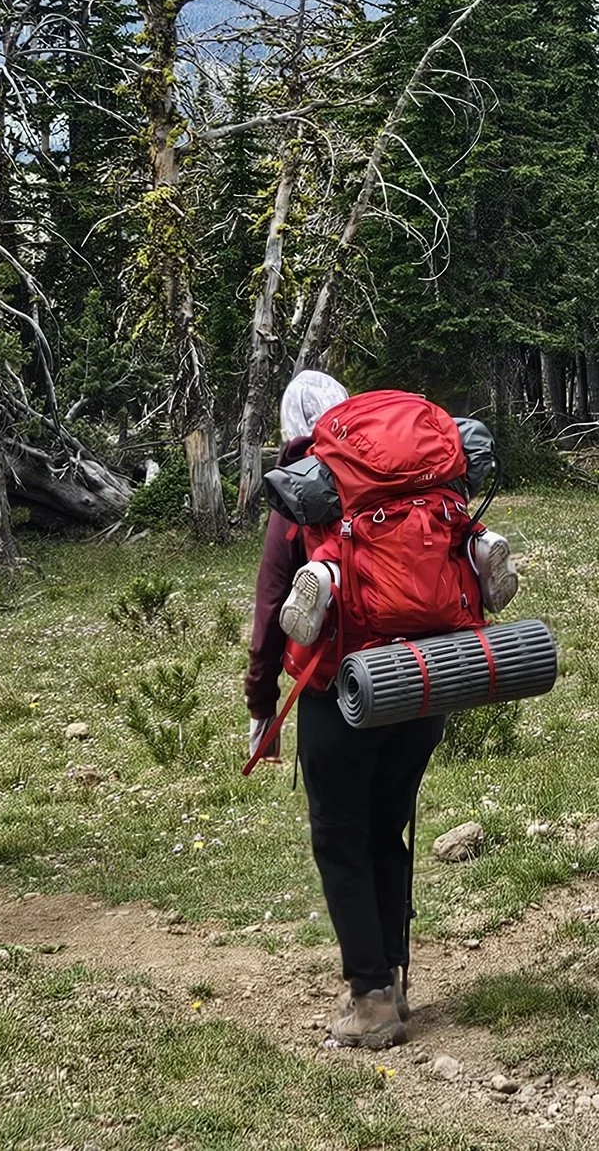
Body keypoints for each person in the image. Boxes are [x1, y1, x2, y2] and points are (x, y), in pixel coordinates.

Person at [244, 371, 439, 1050]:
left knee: (339, 835)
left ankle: (370, 1000)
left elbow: (273, 610)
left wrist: (260, 704)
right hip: (422, 682)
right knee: (388, 825)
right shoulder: (405, 478)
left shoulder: (302, 487)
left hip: (342, 690)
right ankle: (395, 973)